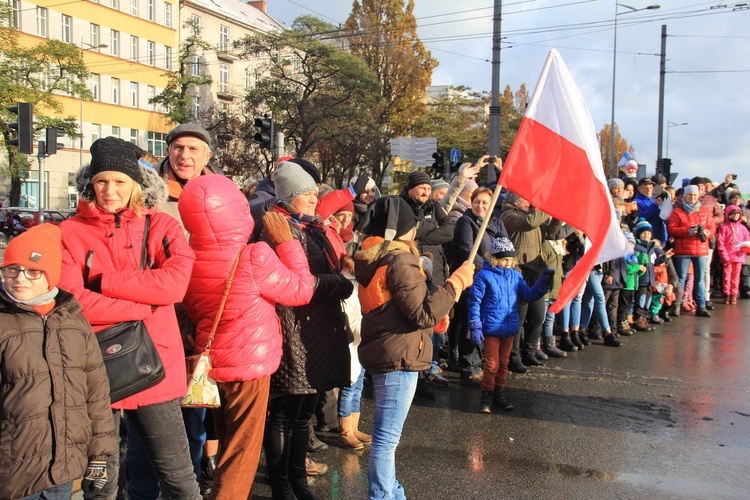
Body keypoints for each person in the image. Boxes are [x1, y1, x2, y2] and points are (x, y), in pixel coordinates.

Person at [59, 137, 200, 499]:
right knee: (100, 486)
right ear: (90, 183)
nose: (110, 190)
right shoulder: (69, 232)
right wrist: (139, 307)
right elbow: (73, 300)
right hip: (92, 371)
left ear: (136, 184)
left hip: (154, 365)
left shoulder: (163, 227)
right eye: (102, 181)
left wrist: (105, 282)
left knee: (179, 480)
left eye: (120, 182)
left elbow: (173, 287)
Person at [178, 175, 316, 498]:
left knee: (227, 443)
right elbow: (302, 289)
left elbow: (193, 311)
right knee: (242, 454)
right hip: (249, 367)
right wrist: (287, 244)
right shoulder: (253, 256)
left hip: (211, 365)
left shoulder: (189, 260)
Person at [355, 195, 474, 500]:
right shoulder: (399, 259)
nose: (416, 231)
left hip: (389, 349)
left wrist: (434, 316)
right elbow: (422, 312)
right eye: (413, 225)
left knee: (386, 436)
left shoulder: (372, 255)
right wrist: (456, 284)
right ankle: (382, 495)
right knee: (386, 439)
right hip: (399, 355)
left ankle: (391, 490)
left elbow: (408, 309)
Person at [0, 224, 117, 500]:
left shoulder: (73, 320)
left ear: (51, 275)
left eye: (33, 271)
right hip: (12, 472)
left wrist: (99, 456)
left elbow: (96, 394)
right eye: (11, 269)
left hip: (61, 471)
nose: (20, 279)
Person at [260, 161, 353, 500]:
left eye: (315, 191)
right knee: (285, 413)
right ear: (288, 196)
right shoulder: (277, 227)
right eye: (306, 193)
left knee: (303, 415)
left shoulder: (310, 227)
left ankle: (297, 480)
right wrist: (338, 283)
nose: (315, 197)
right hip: (293, 329)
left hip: (317, 330)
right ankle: (282, 484)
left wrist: (335, 281)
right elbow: (296, 283)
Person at [468, 237, 554, 413]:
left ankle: (499, 394)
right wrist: (475, 324)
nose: (507, 263)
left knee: (504, 363)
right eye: (504, 259)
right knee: (492, 365)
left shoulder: (516, 276)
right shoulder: (484, 276)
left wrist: (543, 283)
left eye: (510, 260)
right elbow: (474, 301)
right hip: (491, 327)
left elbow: (528, 295)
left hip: (509, 328)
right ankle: (486, 397)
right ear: (494, 258)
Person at [451, 187, 509, 382]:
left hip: (493, 281)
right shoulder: (465, 222)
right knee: (471, 323)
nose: (480, 206)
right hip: (474, 280)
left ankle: (479, 361)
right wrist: (490, 268)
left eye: (485, 202)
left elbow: (506, 249)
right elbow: (467, 252)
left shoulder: (497, 223)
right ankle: (469, 366)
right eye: (477, 201)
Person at [501, 192, 562, 370]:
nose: (530, 202)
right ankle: (514, 357)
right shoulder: (508, 216)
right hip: (519, 272)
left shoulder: (532, 216)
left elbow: (550, 232)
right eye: (526, 198)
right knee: (519, 320)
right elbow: (528, 224)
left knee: (537, 317)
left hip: (536, 272)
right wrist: (545, 207)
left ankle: (529, 352)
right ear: (515, 201)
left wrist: (557, 215)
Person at [667, 184, 717, 317]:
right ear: (685, 196)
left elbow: (712, 227)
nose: (692, 197)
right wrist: (687, 231)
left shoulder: (705, 211)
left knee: (700, 279)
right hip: (683, 249)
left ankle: (701, 305)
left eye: (695, 195)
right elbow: (672, 229)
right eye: (690, 195)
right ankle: (677, 304)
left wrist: (707, 233)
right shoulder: (677, 212)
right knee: (681, 278)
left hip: (701, 249)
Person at [400, 170, 456, 287]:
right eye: (422, 188)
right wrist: (433, 229)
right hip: (410, 265)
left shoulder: (434, 206)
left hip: (436, 268)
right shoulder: (400, 205)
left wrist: (420, 239)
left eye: (429, 189)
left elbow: (449, 231)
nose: (426, 193)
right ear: (410, 188)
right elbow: (406, 232)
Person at [716, 205, 750, 304]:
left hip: (738, 256)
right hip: (727, 256)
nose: (735, 216)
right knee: (727, 276)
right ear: (728, 215)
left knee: (736, 277)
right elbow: (720, 243)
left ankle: (734, 294)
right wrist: (724, 256)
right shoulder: (724, 227)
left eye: (737, 214)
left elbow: (747, 241)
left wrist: (747, 250)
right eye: (733, 214)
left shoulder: (743, 228)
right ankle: (726, 294)